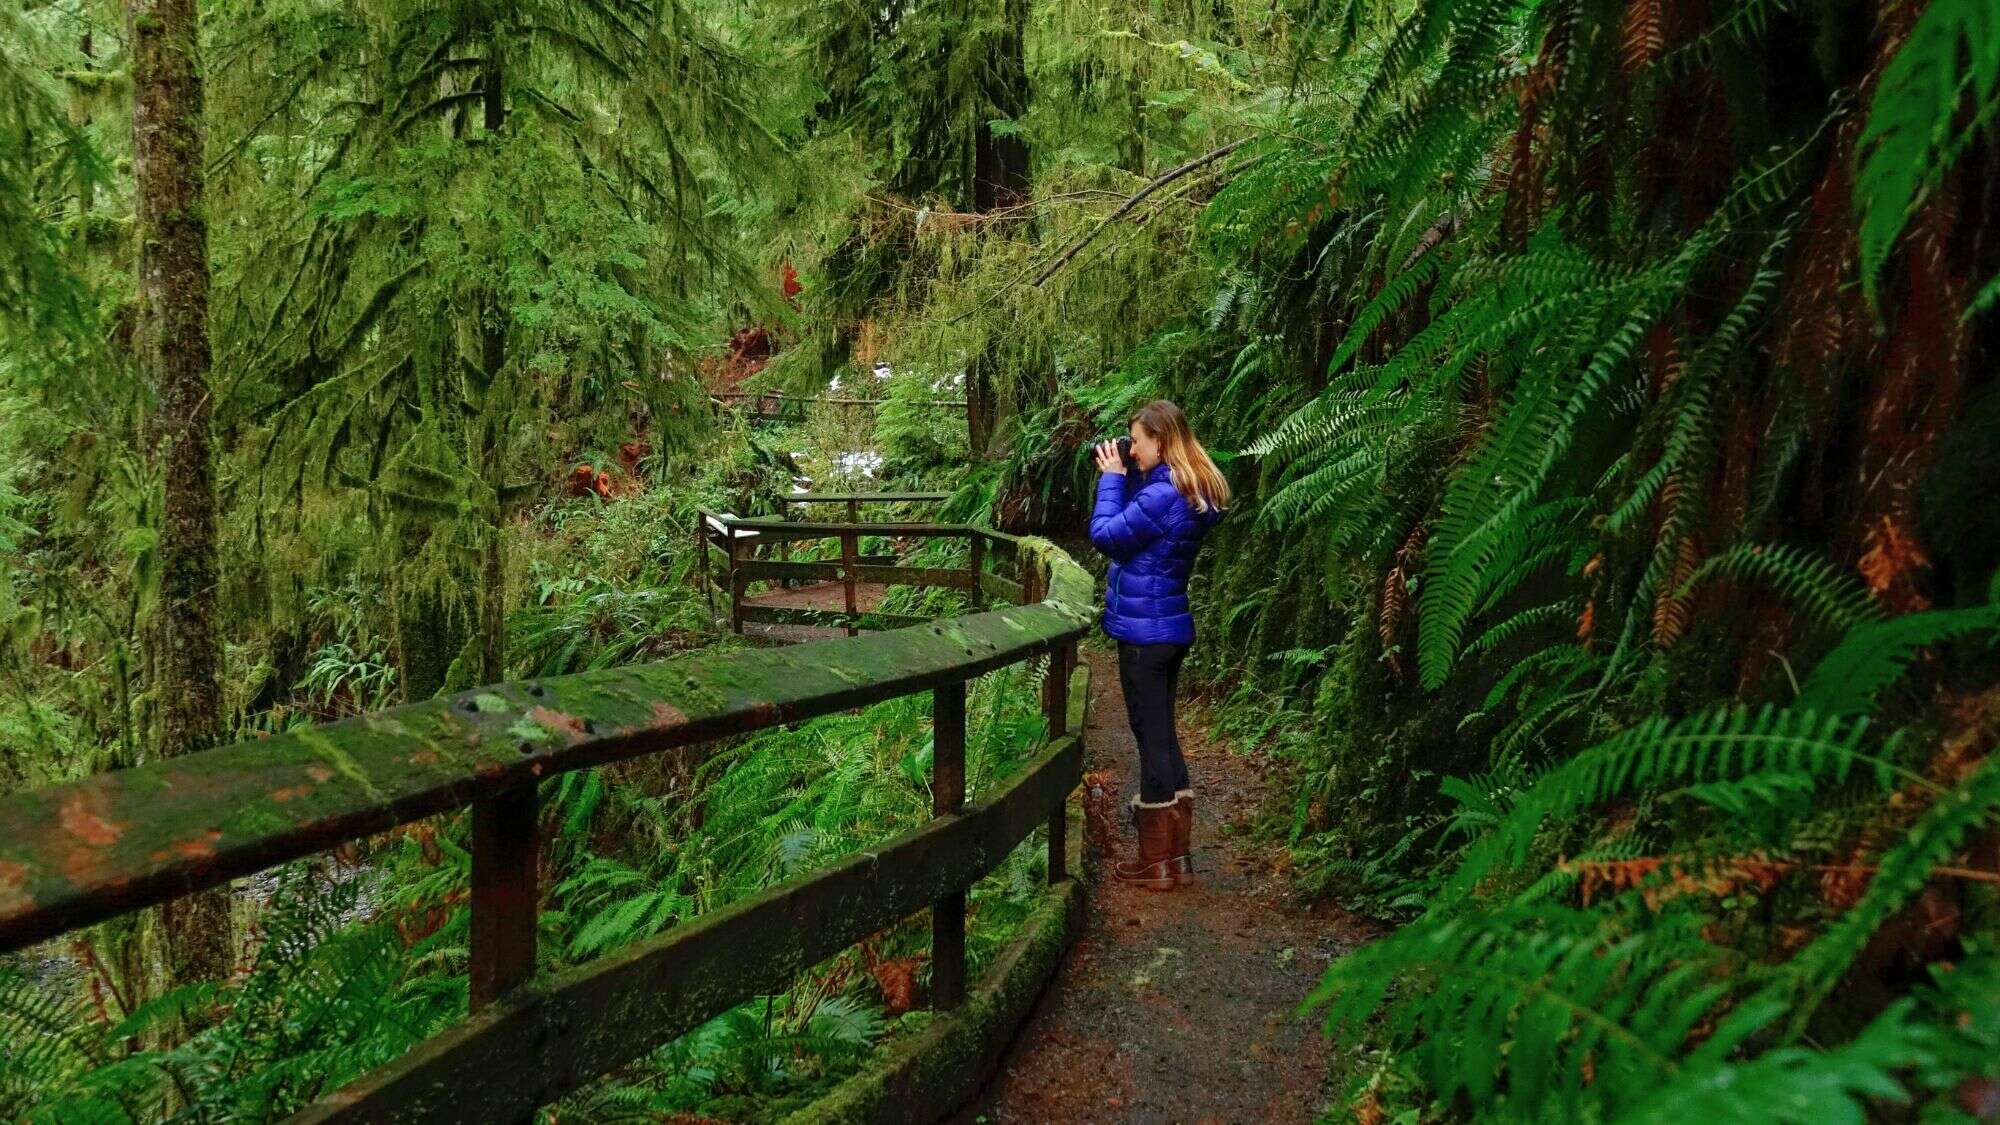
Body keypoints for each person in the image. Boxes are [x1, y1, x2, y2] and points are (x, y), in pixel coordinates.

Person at [1088, 400, 1229, 892]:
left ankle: (1154, 865)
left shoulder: (1163, 495)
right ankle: (1176, 859)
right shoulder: (1186, 491)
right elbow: (1139, 532)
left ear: (1160, 440)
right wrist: (1129, 474)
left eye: (1137, 442)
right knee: (1164, 735)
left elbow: (1106, 535)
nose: (1131, 450)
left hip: (1144, 636)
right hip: (1168, 630)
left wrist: (1109, 478)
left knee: (1151, 742)